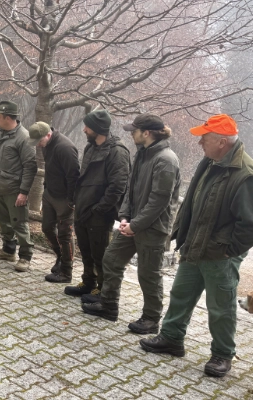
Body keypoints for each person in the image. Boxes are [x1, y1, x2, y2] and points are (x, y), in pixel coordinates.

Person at [140, 114, 253, 378]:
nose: (200, 143)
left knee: (220, 307)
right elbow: (193, 200)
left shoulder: (245, 174)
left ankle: (223, 354)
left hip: (219, 254)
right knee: (181, 294)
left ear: (221, 142)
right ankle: (171, 338)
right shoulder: (211, 162)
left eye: (204, 138)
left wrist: (228, 250)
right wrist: (181, 231)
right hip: (195, 245)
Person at [82, 114, 180, 335]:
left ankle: (151, 319)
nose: (131, 134)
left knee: (149, 274)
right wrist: (125, 216)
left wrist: (135, 225)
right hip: (133, 224)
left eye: (134, 131)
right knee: (111, 258)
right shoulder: (142, 154)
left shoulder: (166, 160)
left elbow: (159, 201)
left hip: (153, 228)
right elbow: (130, 190)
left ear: (147, 133)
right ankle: (108, 305)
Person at [64, 110, 130, 300]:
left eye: (88, 126)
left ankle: (102, 290)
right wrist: (76, 201)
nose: (84, 129)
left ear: (98, 129)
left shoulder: (117, 152)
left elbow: (118, 187)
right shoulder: (90, 147)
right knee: (86, 251)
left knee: (100, 254)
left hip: (99, 214)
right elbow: (83, 178)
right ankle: (88, 282)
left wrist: (99, 210)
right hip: (83, 210)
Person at [0, 101, 37, 272]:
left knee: (19, 223)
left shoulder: (24, 137)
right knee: (4, 222)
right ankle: (8, 251)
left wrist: (23, 192)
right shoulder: (1, 133)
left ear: (8, 118)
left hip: (14, 190)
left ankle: (25, 257)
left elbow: (30, 166)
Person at [28, 122, 80, 283]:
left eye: (39, 141)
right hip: (50, 194)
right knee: (47, 228)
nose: (37, 145)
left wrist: (71, 201)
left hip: (65, 199)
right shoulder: (46, 145)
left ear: (48, 135)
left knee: (65, 235)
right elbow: (50, 170)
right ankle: (60, 257)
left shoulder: (65, 148)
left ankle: (66, 272)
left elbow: (74, 176)